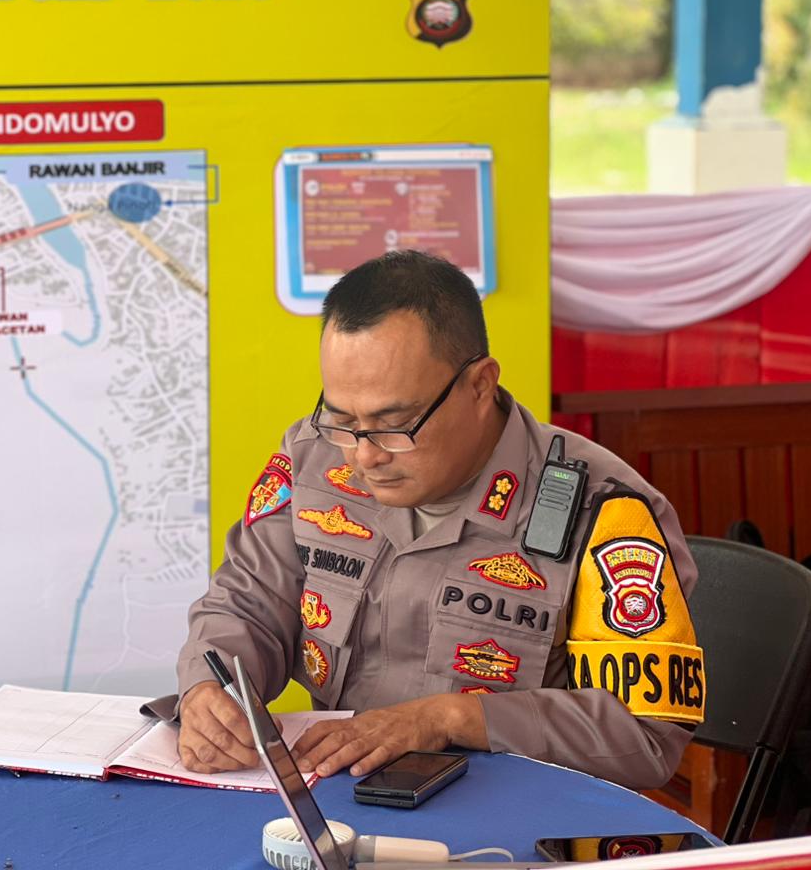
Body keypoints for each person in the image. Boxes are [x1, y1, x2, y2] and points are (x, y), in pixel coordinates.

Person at [169, 250, 706, 790]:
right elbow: (249, 603)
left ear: (480, 385)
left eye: (395, 422)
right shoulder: (312, 458)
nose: (364, 455)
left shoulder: (603, 511)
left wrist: (452, 718)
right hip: (338, 800)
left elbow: (646, 738)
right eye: (342, 418)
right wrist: (210, 686)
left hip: (515, 815)